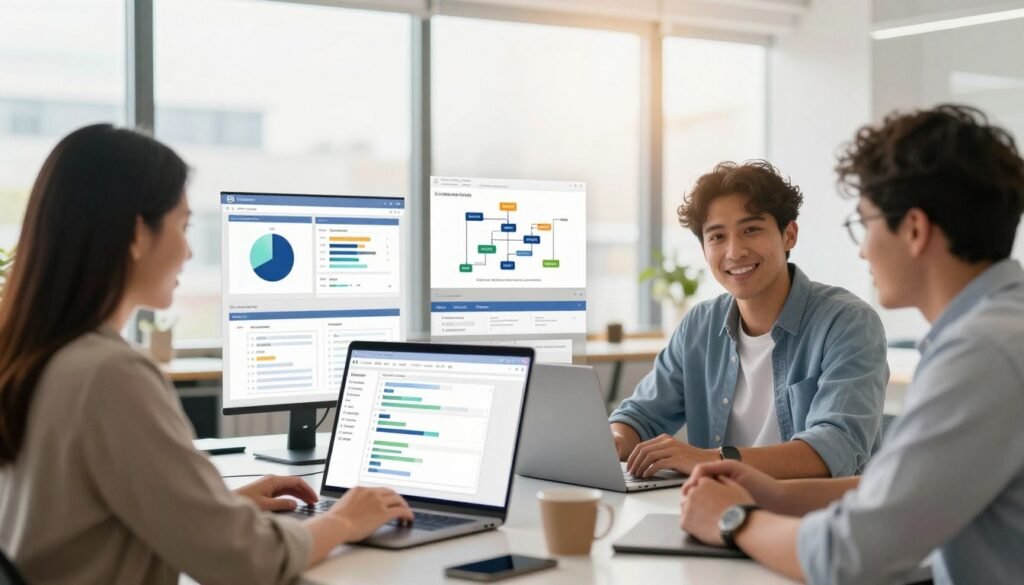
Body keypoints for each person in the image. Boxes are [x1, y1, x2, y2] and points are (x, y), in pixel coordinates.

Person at [0, 124, 414, 585]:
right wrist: (345, 520)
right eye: (183, 225)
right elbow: (246, 563)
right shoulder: (110, 374)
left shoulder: (37, 354)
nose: (189, 249)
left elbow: (87, 520)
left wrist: (221, 509)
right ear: (137, 234)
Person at [678, 104, 1024, 585]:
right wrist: (770, 494)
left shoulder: (982, 355)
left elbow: (848, 556)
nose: (861, 250)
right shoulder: (1001, 331)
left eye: (864, 224)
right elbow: (902, 493)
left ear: (915, 230)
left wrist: (733, 519)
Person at [610, 160, 888, 480]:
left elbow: (837, 446)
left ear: (789, 235)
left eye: (751, 230)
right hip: (715, 511)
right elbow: (639, 415)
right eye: (716, 237)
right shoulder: (699, 325)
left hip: (811, 517)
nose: (735, 251)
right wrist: (617, 439)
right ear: (704, 250)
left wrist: (709, 460)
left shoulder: (848, 323)